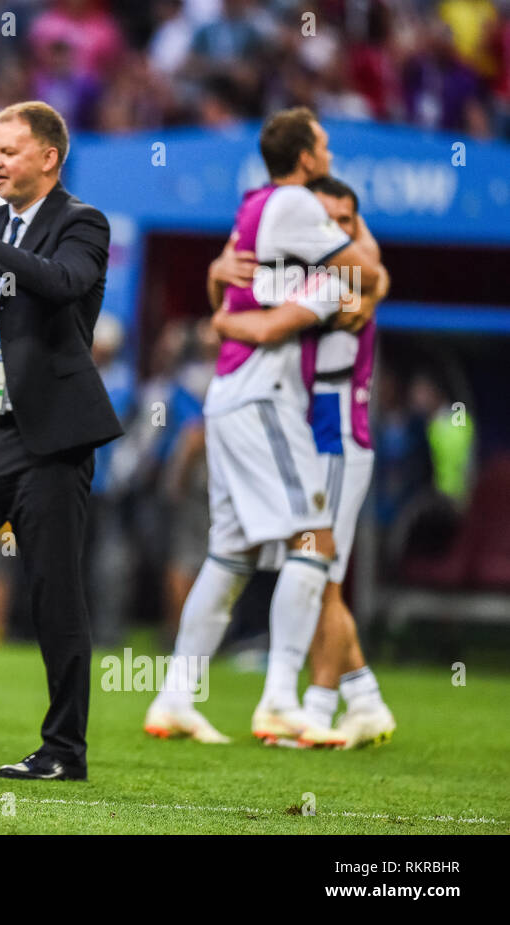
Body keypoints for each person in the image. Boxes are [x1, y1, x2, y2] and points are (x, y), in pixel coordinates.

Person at [144, 108, 388, 746]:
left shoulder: (255, 207)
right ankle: (282, 697)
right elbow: (363, 273)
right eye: (325, 145)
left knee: (230, 555)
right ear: (306, 158)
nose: (330, 153)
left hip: (231, 396)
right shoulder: (300, 212)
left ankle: (175, 697)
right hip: (263, 399)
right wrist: (355, 261)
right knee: (316, 541)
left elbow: (227, 280)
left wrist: (222, 309)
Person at [0, 100, 123, 781]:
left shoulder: (82, 223)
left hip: (49, 441)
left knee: (54, 592)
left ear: (49, 158)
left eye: (9, 150)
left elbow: (64, 283)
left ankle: (64, 748)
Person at [209, 175, 396, 748]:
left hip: (339, 436)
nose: (334, 229)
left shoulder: (346, 282)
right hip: (310, 435)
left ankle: (316, 704)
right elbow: (238, 275)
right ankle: (361, 698)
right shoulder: (315, 271)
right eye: (326, 219)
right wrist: (219, 272)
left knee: (323, 574)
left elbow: (265, 324)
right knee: (319, 572)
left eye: (347, 220)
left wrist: (220, 319)